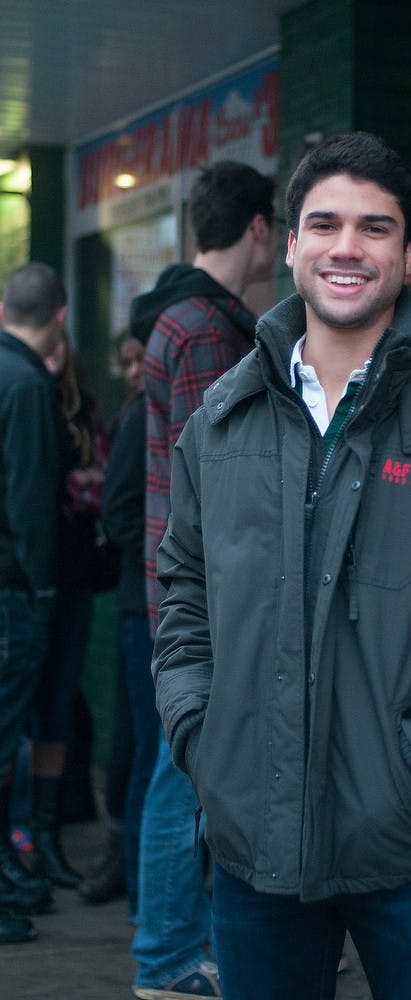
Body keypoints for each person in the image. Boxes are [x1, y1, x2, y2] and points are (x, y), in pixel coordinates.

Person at [151, 131, 411, 1000]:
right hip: (254, 848)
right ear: (292, 245)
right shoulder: (222, 421)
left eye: (375, 228)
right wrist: (201, 735)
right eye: (326, 223)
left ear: (408, 257)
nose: (349, 246)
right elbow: (182, 595)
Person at [131, 161, 279, 1000]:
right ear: (259, 227)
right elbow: (219, 482)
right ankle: (170, 960)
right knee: (182, 777)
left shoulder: (181, 317)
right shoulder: (205, 329)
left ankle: (174, 952)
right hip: (203, 602)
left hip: (183, 593)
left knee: (179, 772)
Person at [0, 263, 69, 943]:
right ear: (62, 315)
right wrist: (43, 588)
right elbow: (29, 505)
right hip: (11, 593)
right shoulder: (25, 385)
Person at [30, 328, 111, 891]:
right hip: (27, 579)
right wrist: (74, 484)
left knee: (58, 706)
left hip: (74, 577)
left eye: (60, 349)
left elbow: (99, 487)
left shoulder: (84, 410)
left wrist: (74, 485)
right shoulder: (21, 398)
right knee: (20, 713)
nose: (53, 360)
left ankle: (47, 837)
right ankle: (20, 838)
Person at [79, 332, 153, 909]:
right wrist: (155, 560)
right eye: (124, 361)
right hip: (139, 603)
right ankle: (126, 869)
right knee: (134, 747)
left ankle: (132, 872)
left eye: (137, 360)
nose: (131, 372)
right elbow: (119, 508)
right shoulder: (137, 419)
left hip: (147, 600)